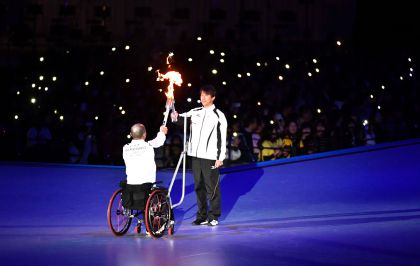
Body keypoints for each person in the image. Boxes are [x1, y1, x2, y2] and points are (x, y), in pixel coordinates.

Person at [171, 85, 227, 226]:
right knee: (198, 186)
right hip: (195, 155)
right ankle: (201, 216)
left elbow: (222, 137)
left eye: (206, 95)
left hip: (210, 157)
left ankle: (213, 216)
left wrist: (220, 157)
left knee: (211, 187)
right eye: (201, 95)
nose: (203, 98)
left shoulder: (219, 115)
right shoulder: (195, 112)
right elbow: (179, 120)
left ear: (212, 97)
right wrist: (174, 114)